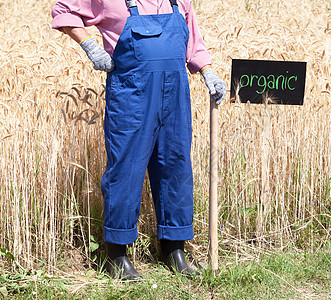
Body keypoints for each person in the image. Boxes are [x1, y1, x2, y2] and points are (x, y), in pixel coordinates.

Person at [51, 0, 226, 281]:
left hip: (175, 94)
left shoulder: (178, 0)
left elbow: (192, 37)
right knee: (126, 171)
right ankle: (116, 255)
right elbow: (63, 11)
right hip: (132, 96)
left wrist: (207, 71)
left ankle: (173, 250)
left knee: (176, 167)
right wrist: (90, 45)